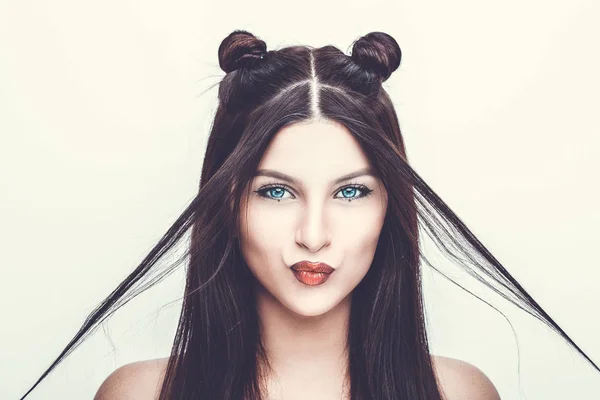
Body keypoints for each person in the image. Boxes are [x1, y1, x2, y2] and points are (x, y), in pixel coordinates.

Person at [19, 30, 598, 400]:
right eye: (275, 192)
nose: (313, 236)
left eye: (350, 192)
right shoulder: (138, 396)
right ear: (227, 199)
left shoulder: (460, 394)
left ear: (390, 205)